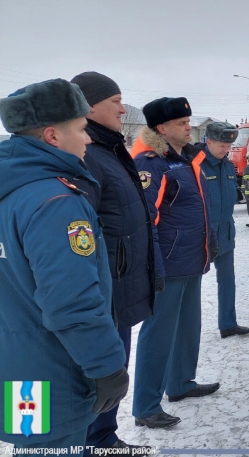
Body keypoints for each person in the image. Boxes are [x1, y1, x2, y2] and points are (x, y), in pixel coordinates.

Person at [0, 79, 128, 451]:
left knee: (33, 441)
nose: (87, 140)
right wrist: (106, 368)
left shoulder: (10, 190)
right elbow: (71, 300)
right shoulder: (56, 201)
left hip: (20, 369)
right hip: (57, 370)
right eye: (81, 129)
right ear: (54, 136)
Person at [70, 72, 155, 453]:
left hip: (114, 291)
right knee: (40, 412)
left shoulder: (108, 151)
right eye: (116, 100)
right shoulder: (85, 159)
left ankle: (103, 439)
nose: (123, 109)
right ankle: (89, 440)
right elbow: (78, 243)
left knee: (112, 375)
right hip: (98, 298)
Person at [131, 97, 219, 429]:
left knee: (188, 327)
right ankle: (145, 405)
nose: (188, 127)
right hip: (167, 264)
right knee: (158, 334)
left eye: (188, 121)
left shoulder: (184, 158)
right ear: (162, 128)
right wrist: (155, 267)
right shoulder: (150, 162)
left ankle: (181, 383)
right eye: (182, 123)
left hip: (192, 259)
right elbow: (146, 219)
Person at [201, 122, 249, 339]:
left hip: (225, 232)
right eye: (222, 145)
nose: (226, 150)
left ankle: (228, 323)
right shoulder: (197, 165)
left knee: (227, 280)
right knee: (193, 284)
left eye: (229, 146)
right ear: (208, 142)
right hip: (203, 234)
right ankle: (186, 330)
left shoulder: (227, 165)